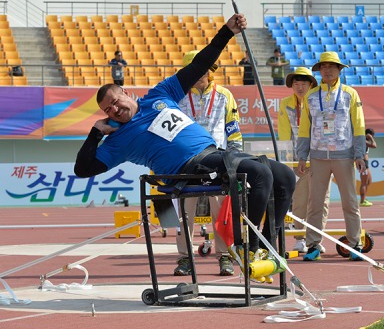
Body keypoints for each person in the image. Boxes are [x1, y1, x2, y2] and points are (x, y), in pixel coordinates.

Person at [74, 14, 295, 283]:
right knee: (260, 174)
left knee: (284, 176)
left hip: (216, 154)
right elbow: (83, 169)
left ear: (126, 93)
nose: (115, 110)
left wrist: (227, 32)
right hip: (187, 170)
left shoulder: (159, 94)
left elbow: (200, 64)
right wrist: (96, 133)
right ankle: (247, 247)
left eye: (116, 101)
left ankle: (267, 246)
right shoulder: (118, 140)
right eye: (109, 110)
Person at [176, 49, 243, 277]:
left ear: (210, 70)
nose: (197, 74)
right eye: (192, 70)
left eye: (201, 69)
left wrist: (234, 158)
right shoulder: (177, 96)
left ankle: (225, 256)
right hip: (186, 162)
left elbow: (233, 129)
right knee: (185, 213)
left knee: (222, 212)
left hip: (218, 160)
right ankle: (185, 258)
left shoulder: (225, 95)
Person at [297, 51, 367, 262]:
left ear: (339, 70)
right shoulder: (310, 95)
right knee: (315, 203)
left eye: (331, 67)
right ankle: (313, 245)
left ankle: (355, 244)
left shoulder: (350, 94)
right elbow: (304, 128)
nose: (327, 71)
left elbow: (359, 125)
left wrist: (359, 154)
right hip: (318, 157)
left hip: (344, 156)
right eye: (323, 67)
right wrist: (302, 155)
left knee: (350, 202)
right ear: (319, 71)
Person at [278, 67, 330, 254]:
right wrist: (288, 161)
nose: (300, 87)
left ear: (311, 85)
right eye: (296, 84)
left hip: (321, 157)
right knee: (299, 200)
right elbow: (284, 134)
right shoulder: (286, 104)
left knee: (320, 201)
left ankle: (316, 238)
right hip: (297, 160)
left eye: (304, 84)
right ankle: (300, 238)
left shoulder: (321, 101)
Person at [359, 128, 377, 207]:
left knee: (369, 181)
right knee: (364, 183)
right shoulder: (363, 140)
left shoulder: (364, 141)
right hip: (362, 163)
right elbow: (374, 145)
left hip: (366, 163)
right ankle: (362, 201)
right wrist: (371, 138)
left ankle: (364, 198)